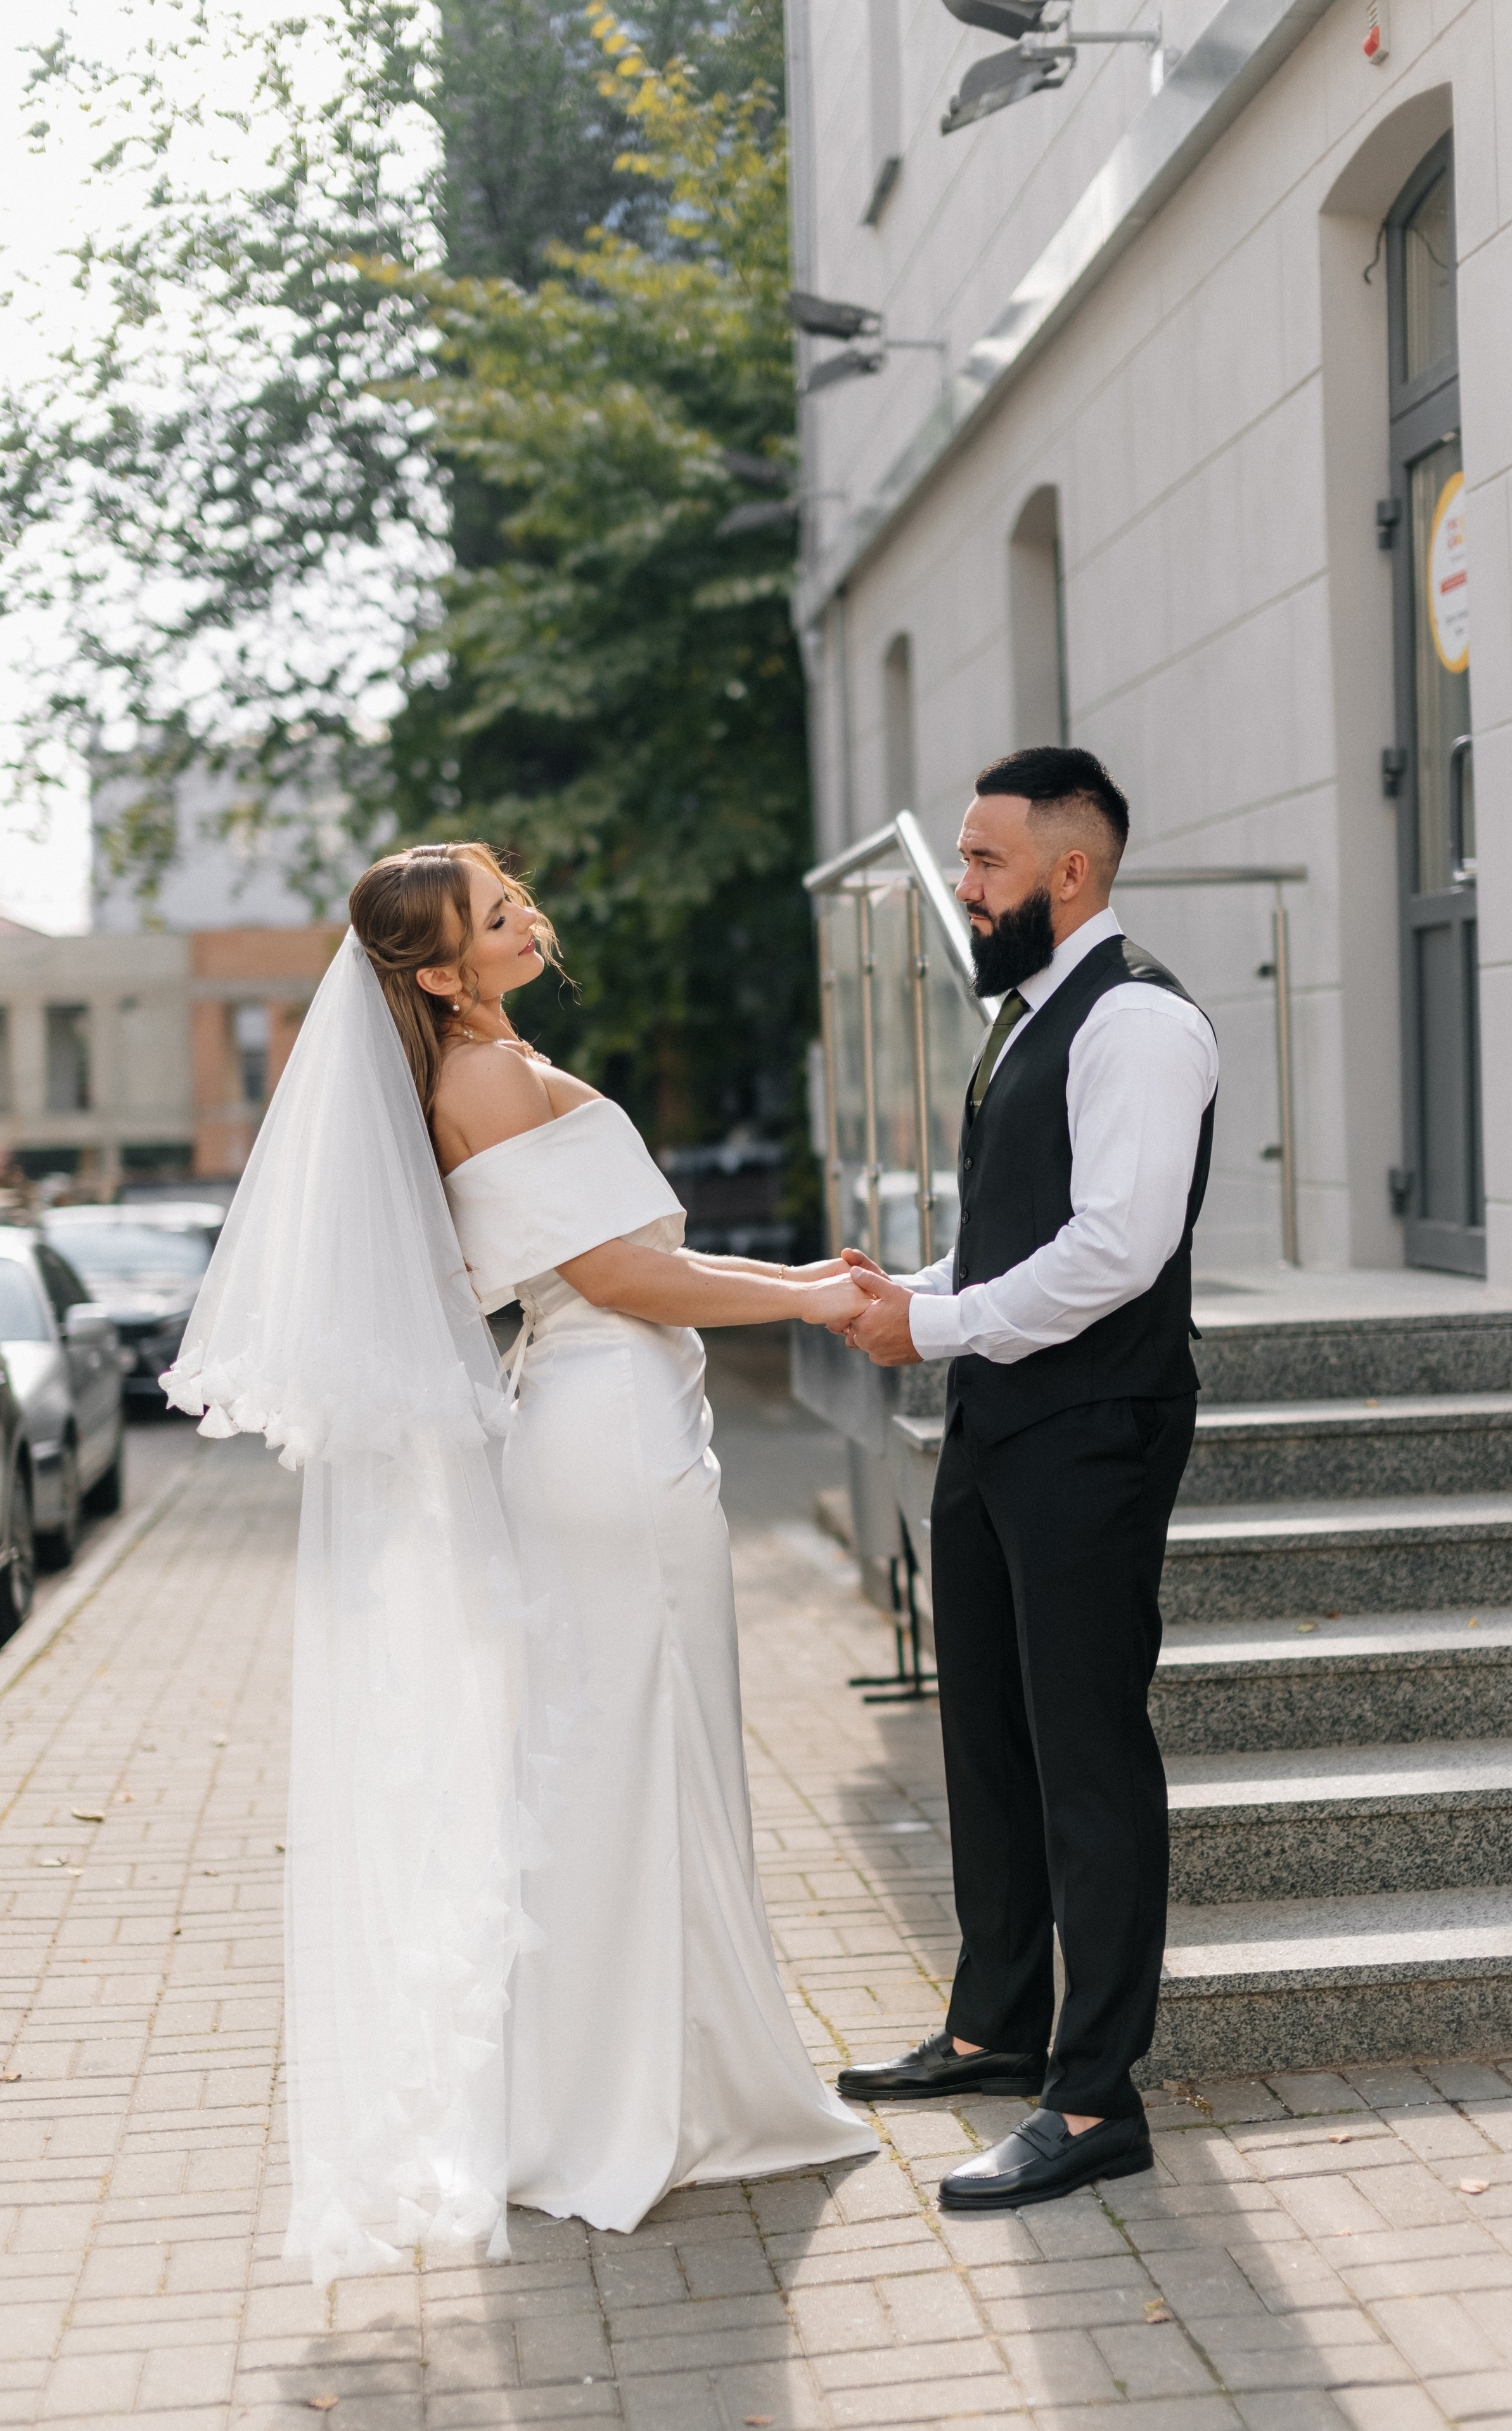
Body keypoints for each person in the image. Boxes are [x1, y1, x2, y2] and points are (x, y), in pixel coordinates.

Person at [166, 840, 875, 2284]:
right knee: (623, 1757)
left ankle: (645, 2082)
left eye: (506, 893)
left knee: (627, 1751)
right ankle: (619, 2104)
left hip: (613, 1419)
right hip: (606, 1430)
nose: (523, 914)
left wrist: (791, 1290)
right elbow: (623, 1278)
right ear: (437, 973)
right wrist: (805, 1292)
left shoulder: (492, 1059)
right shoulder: (483, 1080)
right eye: (494, 915)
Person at [833, 747, 1218, 2212]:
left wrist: (929, 1322)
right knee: (985, 1732)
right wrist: (908, 1291)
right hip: (999, 1420)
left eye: (984, 862)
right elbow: (1020, 1240)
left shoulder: (1135, 1024)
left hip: (1093, 1435)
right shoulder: (1030, 1018)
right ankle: (995, 2023)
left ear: (1069, 871)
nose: (963, 885)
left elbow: (1117, 1251)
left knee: (1086, 1756)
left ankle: (1092, 2096)